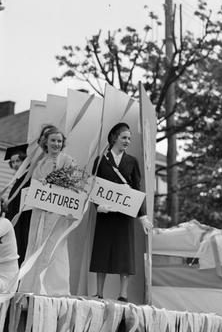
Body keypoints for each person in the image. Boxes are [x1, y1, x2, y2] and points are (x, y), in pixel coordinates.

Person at [89, 122, 153, 302]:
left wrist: (142, 216)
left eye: (129, 138)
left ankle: (123, 294)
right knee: (102, 250)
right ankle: (99, 292)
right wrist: (97, 207)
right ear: (114, 137)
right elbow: (93, 187)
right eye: (124, 137)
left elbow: (137, 190)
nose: (127, 141)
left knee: (124, 252)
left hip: (125, 215)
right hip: (105, 214)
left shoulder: (132, 162)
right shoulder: (101, 160)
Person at [18, 125, 76, 296]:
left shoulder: (68, 160)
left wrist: (51, 181)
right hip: (41, 212)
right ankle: (34, 285)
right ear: (46, 142)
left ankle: (55, 289)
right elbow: (35, 187)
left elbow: (72, 182)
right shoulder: (40, 164)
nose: (56, 144)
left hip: (57, 213)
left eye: (59, 141)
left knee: (55, 248)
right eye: (53, 140)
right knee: (37, 245)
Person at [4, 144, 32, 266]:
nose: (15, 164)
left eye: (18, 161)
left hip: (24, 219)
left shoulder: (28, 178)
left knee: (22, 246)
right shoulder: (17, 180)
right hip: (15, 219)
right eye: (13, 162)